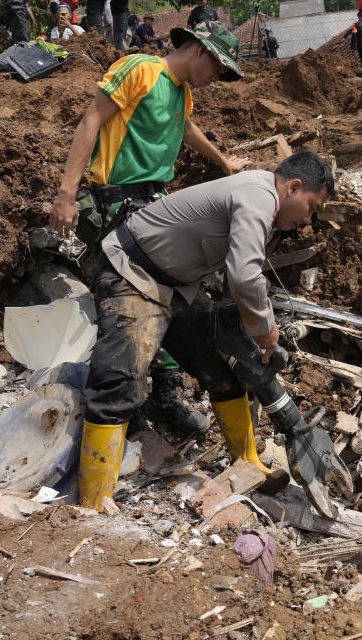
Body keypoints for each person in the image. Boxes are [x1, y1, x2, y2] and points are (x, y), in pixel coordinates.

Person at [77, 152, 349, 516]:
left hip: (176, 285)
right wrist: (265, 329)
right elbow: (244, 275)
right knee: (120, 383)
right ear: (294, 187)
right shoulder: (259, 196)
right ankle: (93, 503)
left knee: (221, 371)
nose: (308, 220)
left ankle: (250, 466)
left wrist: (240, 334)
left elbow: (235, 281)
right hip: (132, 273)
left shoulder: (267, 211)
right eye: (311, 207)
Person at [49, 21, 249, 436]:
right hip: (117, 199)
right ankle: (130, 397)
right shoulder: (140, 69)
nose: (217, 78)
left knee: (173, 293)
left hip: (153, 202)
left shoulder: (182, 92)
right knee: (135, 300)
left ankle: (159, 392)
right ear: (198, 50)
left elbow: (186, 127)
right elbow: (90, 121)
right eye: (218, 67)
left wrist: (223, 161)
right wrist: (66, 193)